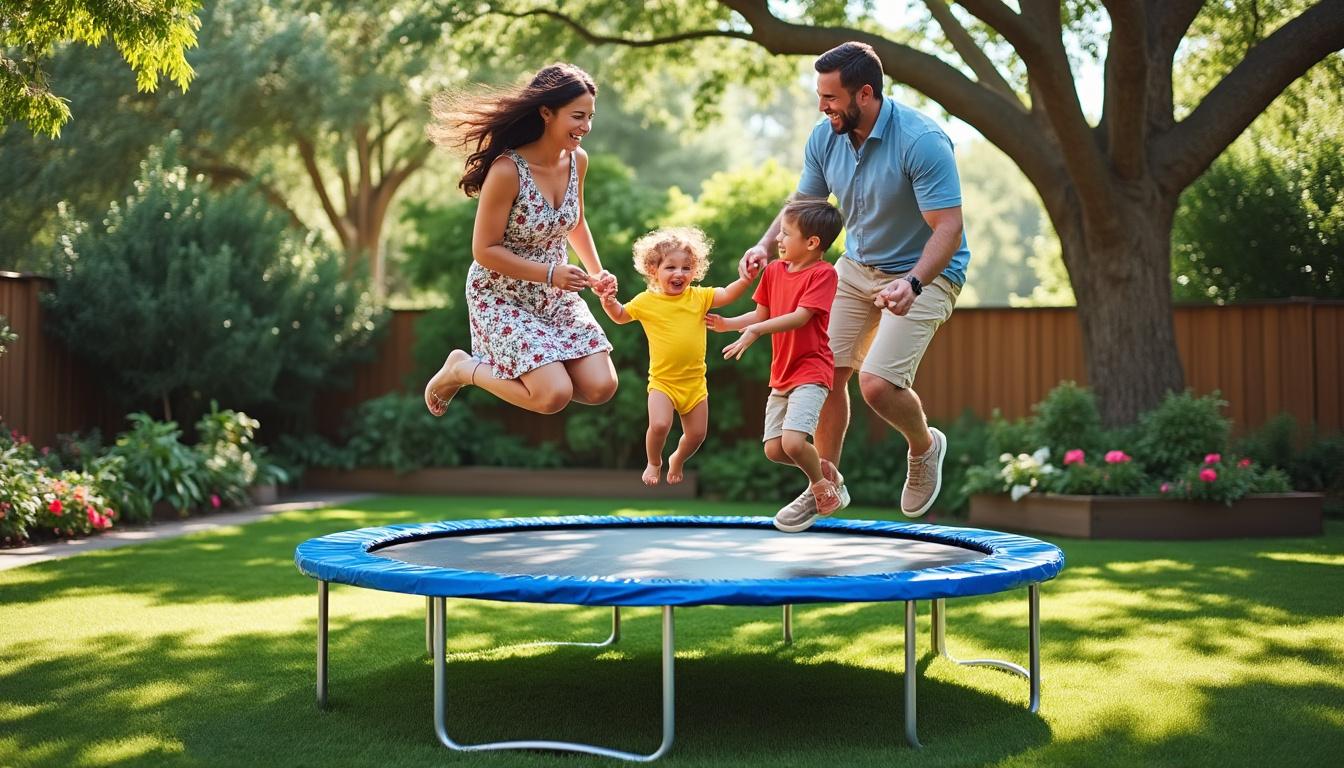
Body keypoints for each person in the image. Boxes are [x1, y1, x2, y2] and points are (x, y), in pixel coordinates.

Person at [739, 41, 971, 520]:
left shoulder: (921, 141)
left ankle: (924, 447)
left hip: (924, 272)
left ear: (864, 94)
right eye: (819, 96)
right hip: (855, 269)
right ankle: (824, 483)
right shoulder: (826, 136)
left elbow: (948, 228)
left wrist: (912, 284)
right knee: (823, 373)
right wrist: (764, 246)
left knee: (878, 385)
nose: (822, 107)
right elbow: (802, 204)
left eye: (830, 97)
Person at [422, 63, 619, 416]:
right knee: (552, 396)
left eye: (590, 117)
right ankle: (462, 369)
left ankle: (527, 371)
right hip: (500, 296)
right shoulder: (507, 171)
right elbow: (484, 250)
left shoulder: (578, 161)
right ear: (546, 112)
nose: (585, 127)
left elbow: (574, 222)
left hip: (554, 296)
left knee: (601, 386)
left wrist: (597, 273)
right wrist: (550, 273)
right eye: (577, 117)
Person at [710, 200, 846, 532]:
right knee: (774, 449)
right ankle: (828, 472)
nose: (778, 240)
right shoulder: (773, 272)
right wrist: (726, 323)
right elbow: (760, 315)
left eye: (785, 234)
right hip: (782, 374)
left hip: (811, 370)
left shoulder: (823, 274)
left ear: (812, 243)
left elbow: (800, 317)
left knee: (794, 443)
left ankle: (821, 488)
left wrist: (755, 331)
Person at [598, 227, 756, 486]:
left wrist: (746, 281)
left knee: (696, 435)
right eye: (671, 267)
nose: (679, 274)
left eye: (686, 268)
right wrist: (608, 302)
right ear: (654, 270)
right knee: (659, 425)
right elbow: (620, 316)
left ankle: (678, 459)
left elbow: (727, 294)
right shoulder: (646, 301)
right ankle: (654, 461)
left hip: (694, 383)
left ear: (695, 271)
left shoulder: (699, 297)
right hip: (663, 382)